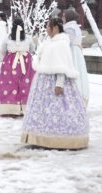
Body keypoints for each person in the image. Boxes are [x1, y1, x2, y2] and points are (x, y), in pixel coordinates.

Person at [21, 18, 89, 150]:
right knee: (44, 109)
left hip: (55, 83)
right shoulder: (50, 42)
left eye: (48, 27)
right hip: (44, 81)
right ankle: (40, 136)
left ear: (55, 28)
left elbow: (61, 66)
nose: (46, 29)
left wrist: (59, 84)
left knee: (60, 109)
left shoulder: (61, 44)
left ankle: (60, 138)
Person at [0, 18, 35, 116]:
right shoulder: (28, 38)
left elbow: (3, 50)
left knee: (9, 85)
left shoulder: (7, 38)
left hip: (10, 63)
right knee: (26, 85)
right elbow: (32, 49)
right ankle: (25, 108)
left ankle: (8, 109)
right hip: (26, 62)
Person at [63, 8, 89, 106]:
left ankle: (73, 99)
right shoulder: (74, 26)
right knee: (79, 72)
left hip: (71, 52)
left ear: (68, 17)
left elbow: (67, 41)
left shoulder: (69, 28)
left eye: (64, 16)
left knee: (72, 72)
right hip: (76, 52)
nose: (63, 18)